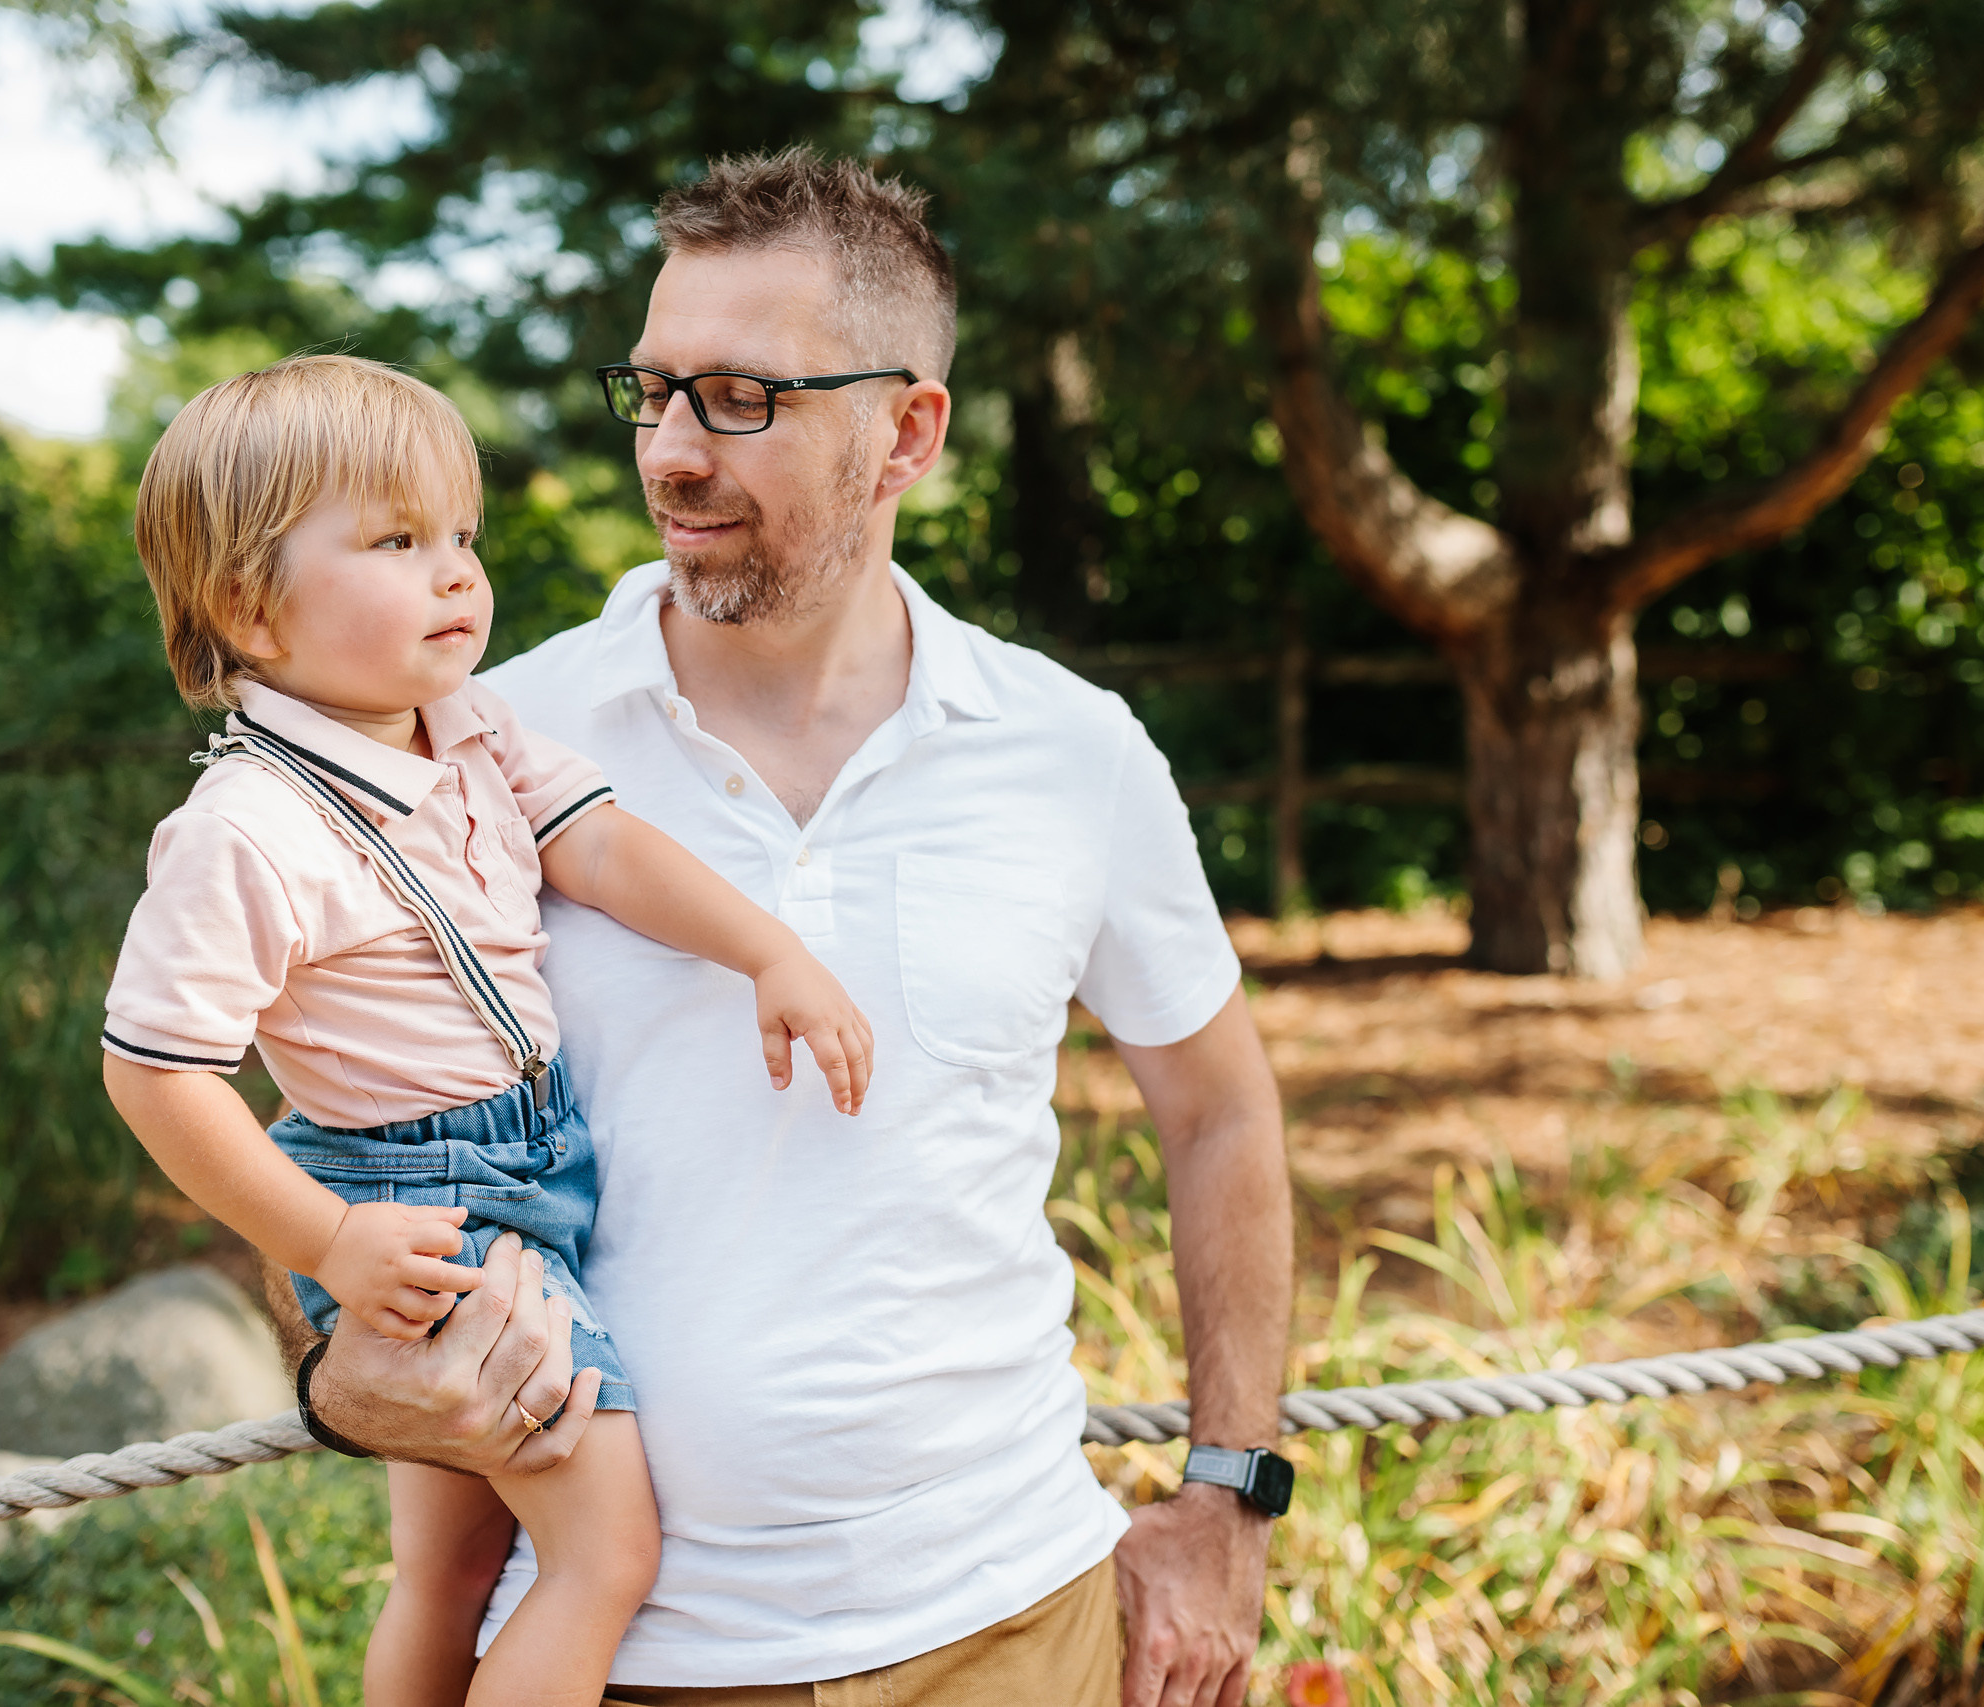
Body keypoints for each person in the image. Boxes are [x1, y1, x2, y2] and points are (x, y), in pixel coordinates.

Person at [299, 149, 1294, 1707]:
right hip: (617, 1657)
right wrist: (332, 1361)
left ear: (908, 431)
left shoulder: (1072, 749)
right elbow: (343, 1112)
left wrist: (1230, 1496)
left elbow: (1221, 1111)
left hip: (1015, 1631)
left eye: (742, 400)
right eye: (655, 391)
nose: (675, 453)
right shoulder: (480, 738)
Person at [99, 353, 877, 1707]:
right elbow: (156, 1074)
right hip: (428, 1215)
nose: (458, 571)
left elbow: (599, 847)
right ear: (248, 607)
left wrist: (767, 948)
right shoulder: (248, 827)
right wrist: (325, 1242)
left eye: (461, 534)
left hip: (529, 1162)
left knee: (452, 1573)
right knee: (605, 1550)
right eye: (399, 541)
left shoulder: (461, 726)